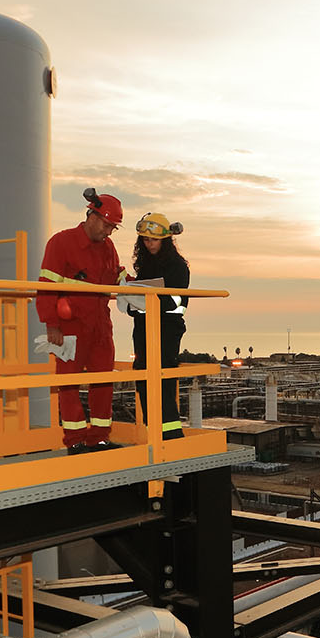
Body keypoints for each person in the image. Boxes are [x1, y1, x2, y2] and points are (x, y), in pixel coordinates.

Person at [37, 188, 126, 454]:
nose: (109, 232)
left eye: (113, 228)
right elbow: (45, 287)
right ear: (93, 216)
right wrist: (51, 324)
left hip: (100, 327)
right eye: (108, 225)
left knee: (103, 381)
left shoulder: (108, 247)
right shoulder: (61, 243)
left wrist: (135, 285)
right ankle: (75, 440)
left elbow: (115, 276)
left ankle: (98, 438)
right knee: (68, 382)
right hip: (70, 327)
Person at [128, 212, 191, 440]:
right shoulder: (146, 266)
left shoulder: (177, 267)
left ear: (165, 240)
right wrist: (131, 300)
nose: (149, 243)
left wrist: (140, 301)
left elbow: (175, 301)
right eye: (145, 239)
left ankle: (171, 435)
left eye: (153, 240)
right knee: (144, 379)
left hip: (167, 330)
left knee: (163, 382)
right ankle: (152, 431)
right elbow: (144, 300)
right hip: (144, 330)